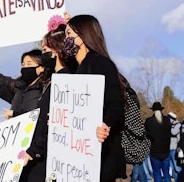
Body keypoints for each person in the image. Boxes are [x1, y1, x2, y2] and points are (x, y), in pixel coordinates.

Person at [62, 14, 126, 181]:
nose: (65, 39)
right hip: (80, 156)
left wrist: (106, 124)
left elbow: (116, 106)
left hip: (100, 156)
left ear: (83, 36)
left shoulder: (100, 64)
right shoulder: (75, 69)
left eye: (69, 34)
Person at [23, 26, 75, 181]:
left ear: (57, 50)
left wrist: (34, 151)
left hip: (46, 159)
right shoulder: (54, 80)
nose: (43, 54)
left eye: (45, 49)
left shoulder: (65, 81)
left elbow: (54, 124)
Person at [0, 40, 45, 119]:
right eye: (23, 65)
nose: (25, 68)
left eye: (29, 64)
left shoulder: (47, 89)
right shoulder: (16, 88)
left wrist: (15, 114)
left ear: (41, 68)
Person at [145, 102, 171, 182]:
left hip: (154, 151)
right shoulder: (167, 120)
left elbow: (145, 134)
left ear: (153, 110)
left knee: (156, 173)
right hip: (166, 151)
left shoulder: (149, 121)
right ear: (161, 110)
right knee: (166, 173)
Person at [168, 111, 181, 181]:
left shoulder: (178, 124)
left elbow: (173, 132)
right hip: (169, 149)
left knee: (177, 167)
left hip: (175, 149)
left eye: (169, 118)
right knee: (172, 167)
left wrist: (169, 126)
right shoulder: (171, 125)